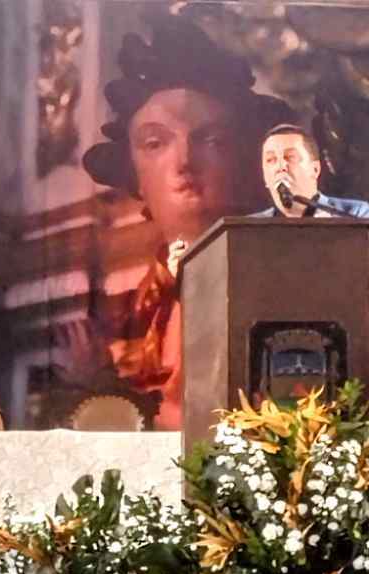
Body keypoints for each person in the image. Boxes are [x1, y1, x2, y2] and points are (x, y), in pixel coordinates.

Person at [82, 17, 294, 430]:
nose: (184, 162)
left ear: (248, 159)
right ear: (135, 175)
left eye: (211, 140)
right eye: (155, 143)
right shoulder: (141, 304)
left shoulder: (277, 278)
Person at [257, 124, 369, 219]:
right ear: (265, 177)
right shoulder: (249, 228)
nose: (280, 166)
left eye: (290, 157)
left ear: (315, 170)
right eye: (270, 159)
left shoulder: (354, 213)